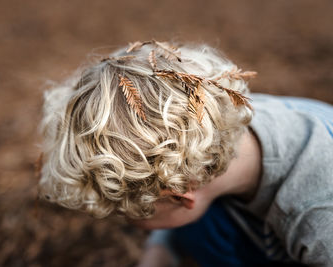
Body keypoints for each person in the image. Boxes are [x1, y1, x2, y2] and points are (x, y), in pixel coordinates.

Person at [37, 40, 333, 266]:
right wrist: (159, 251)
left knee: (199, 231)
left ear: (181, 196)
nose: (124, 221)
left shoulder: (320, 220)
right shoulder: (215, 119)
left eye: (127, 215)